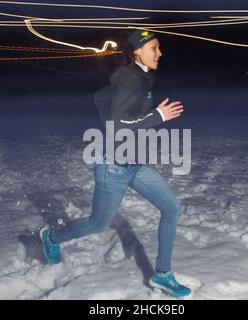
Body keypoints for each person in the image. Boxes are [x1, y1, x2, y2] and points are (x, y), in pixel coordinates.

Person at [39, 29, 191, 298]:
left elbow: (101, 97)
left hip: (136, 163)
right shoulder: (131, 80)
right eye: (154, 48)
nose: (160, 53)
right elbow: (120, 125)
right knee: (98, 224)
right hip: (113, 167)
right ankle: (51, 238)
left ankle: (162, 274)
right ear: (137, 52)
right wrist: (157, 115)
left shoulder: (139, 78)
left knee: (171, 208)